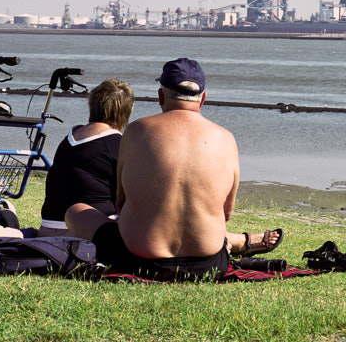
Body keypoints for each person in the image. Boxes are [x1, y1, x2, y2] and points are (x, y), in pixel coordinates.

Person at [65, 58, 281, 280]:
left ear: (161, 96)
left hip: (140, 261)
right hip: (209, 264)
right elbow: (226, 213)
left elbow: (121, 203)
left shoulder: (137, 131)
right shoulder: (226, 138)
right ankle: (238, 243)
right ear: (203, 98)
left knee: (75, 211)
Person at [38, 78, 134, 236]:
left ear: (92, 105)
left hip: (47, 229)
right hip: (87, 233)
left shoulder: (69, 138)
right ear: (125, 112)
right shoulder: (117, 144)